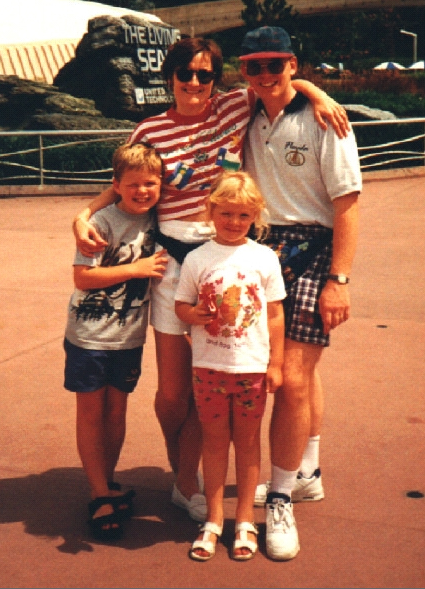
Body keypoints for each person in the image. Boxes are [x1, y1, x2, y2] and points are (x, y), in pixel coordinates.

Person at [73, 36, 350, 521]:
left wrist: (318, 92)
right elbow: (125, 180)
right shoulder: (151, 128)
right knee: (173, 393)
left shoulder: (231, 108)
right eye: (186, 74)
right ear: (171, 78)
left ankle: (187, 482)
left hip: (224, 259)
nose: (196, 83)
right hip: (170, 265)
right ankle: (178, 457)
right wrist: (85, 212)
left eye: (205, 74)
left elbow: (276, 83)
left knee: (214, 380)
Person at [239, 25, 362, 561]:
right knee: (298, 375)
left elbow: (348, 205)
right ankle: (306, 470)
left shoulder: (324, 122)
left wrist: (339, 280)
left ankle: (282, 495)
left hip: (312, 246)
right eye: (254, 66)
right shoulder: (245, 113)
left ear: (293, 63)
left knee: (289, 379)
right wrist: (316, 86)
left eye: (275, 64)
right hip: (260, 246)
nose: (265, 75)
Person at [174, 171, 285, 562]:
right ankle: (214, 520)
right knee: (215, 442)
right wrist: (195, 315)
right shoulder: (197, 258)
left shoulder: (264, 257)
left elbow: (274, 315)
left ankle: (244, 521)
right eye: (226, 213)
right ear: (211, 211)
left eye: (243, 215)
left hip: (252, 369)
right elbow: (181, 306)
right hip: (209, 368)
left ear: (255, 216)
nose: (234, 222)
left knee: (249, 443)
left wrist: (276, 363)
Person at [64, 143, 168, 541]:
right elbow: (82, 277)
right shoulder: (102, 223)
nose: (142, 191)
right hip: (90, 335)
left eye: (150, 184)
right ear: (116, 186)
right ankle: (98, 492)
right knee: (92, 413)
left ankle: (106, 481)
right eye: (133, 185)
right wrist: (136, 267)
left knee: (116, 413)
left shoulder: (159, 219)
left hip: (128, 337)